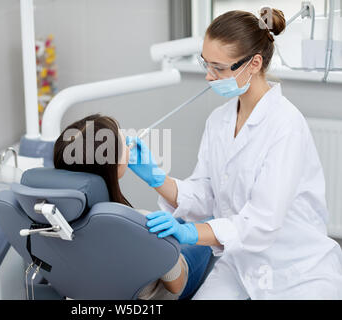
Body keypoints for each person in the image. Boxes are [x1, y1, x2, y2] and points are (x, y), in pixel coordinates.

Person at [126, 9, 342, 299]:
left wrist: (191, 233)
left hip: (295, 271)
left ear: (253, 64)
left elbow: (262, 223)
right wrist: (156, 178)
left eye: (218, 68)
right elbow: (206, 193)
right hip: (240, 265)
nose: (208, 76)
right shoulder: (219, 120)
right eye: (206, 64)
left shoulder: (286, 126)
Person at [53, 114, 212, 300]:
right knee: (212, 220)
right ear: (117, 163)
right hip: (164, 291)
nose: (128, 143)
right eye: (122, 140)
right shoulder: (137, 224)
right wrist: (164, 247)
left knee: (182, 219)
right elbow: (176, 285)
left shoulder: (53, 216)